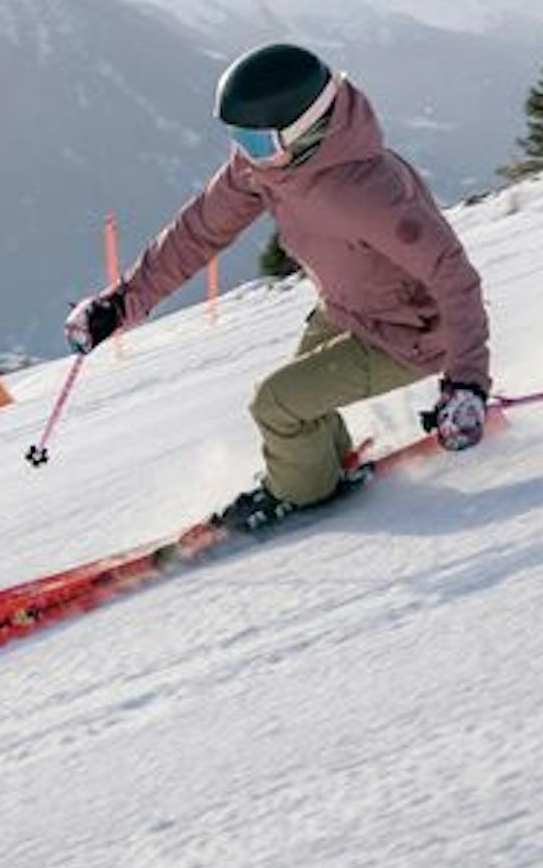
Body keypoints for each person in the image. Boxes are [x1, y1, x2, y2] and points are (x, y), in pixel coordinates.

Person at [64, 42, 494, 533]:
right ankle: (324, 465)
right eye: (237, 138)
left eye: (259, 143)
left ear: (305, 128)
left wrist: (466, 383)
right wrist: (121, 303)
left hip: (412, 333)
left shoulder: (371, 193)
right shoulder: (267, 167)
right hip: (348, 309)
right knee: (299, 398)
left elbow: (454, 276)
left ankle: (301, 495)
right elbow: (198, 232)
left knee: (276, 404)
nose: (246, 155)